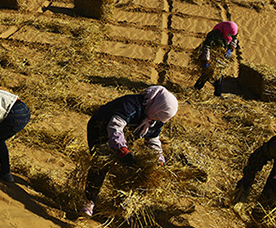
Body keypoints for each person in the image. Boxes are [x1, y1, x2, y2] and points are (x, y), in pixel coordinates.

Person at [80, 86, 179, 217]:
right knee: (101, 164)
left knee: (129, 170)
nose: (161, 119)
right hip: (100, 128)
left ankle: (119, 207)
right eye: (161, 115)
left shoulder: (155, 118)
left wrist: (158, 159)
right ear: (157, 106)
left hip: (123, 136)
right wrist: (121, 149)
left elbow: (153, 139)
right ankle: (88, 202)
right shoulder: (132, 105)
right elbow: (115, 126)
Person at [194, 21, 239, 96]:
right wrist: (206, 60)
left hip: (221, 54)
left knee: (219, 73)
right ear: (226, 30)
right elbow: (207, 47)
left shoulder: (232, 31)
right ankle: (198, 87)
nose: (230, 36)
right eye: (229, 34)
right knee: (208, 72)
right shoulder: (215, 34)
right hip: (213, 54)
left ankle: (218, 92)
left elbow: (234, 39)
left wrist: (230, 49)